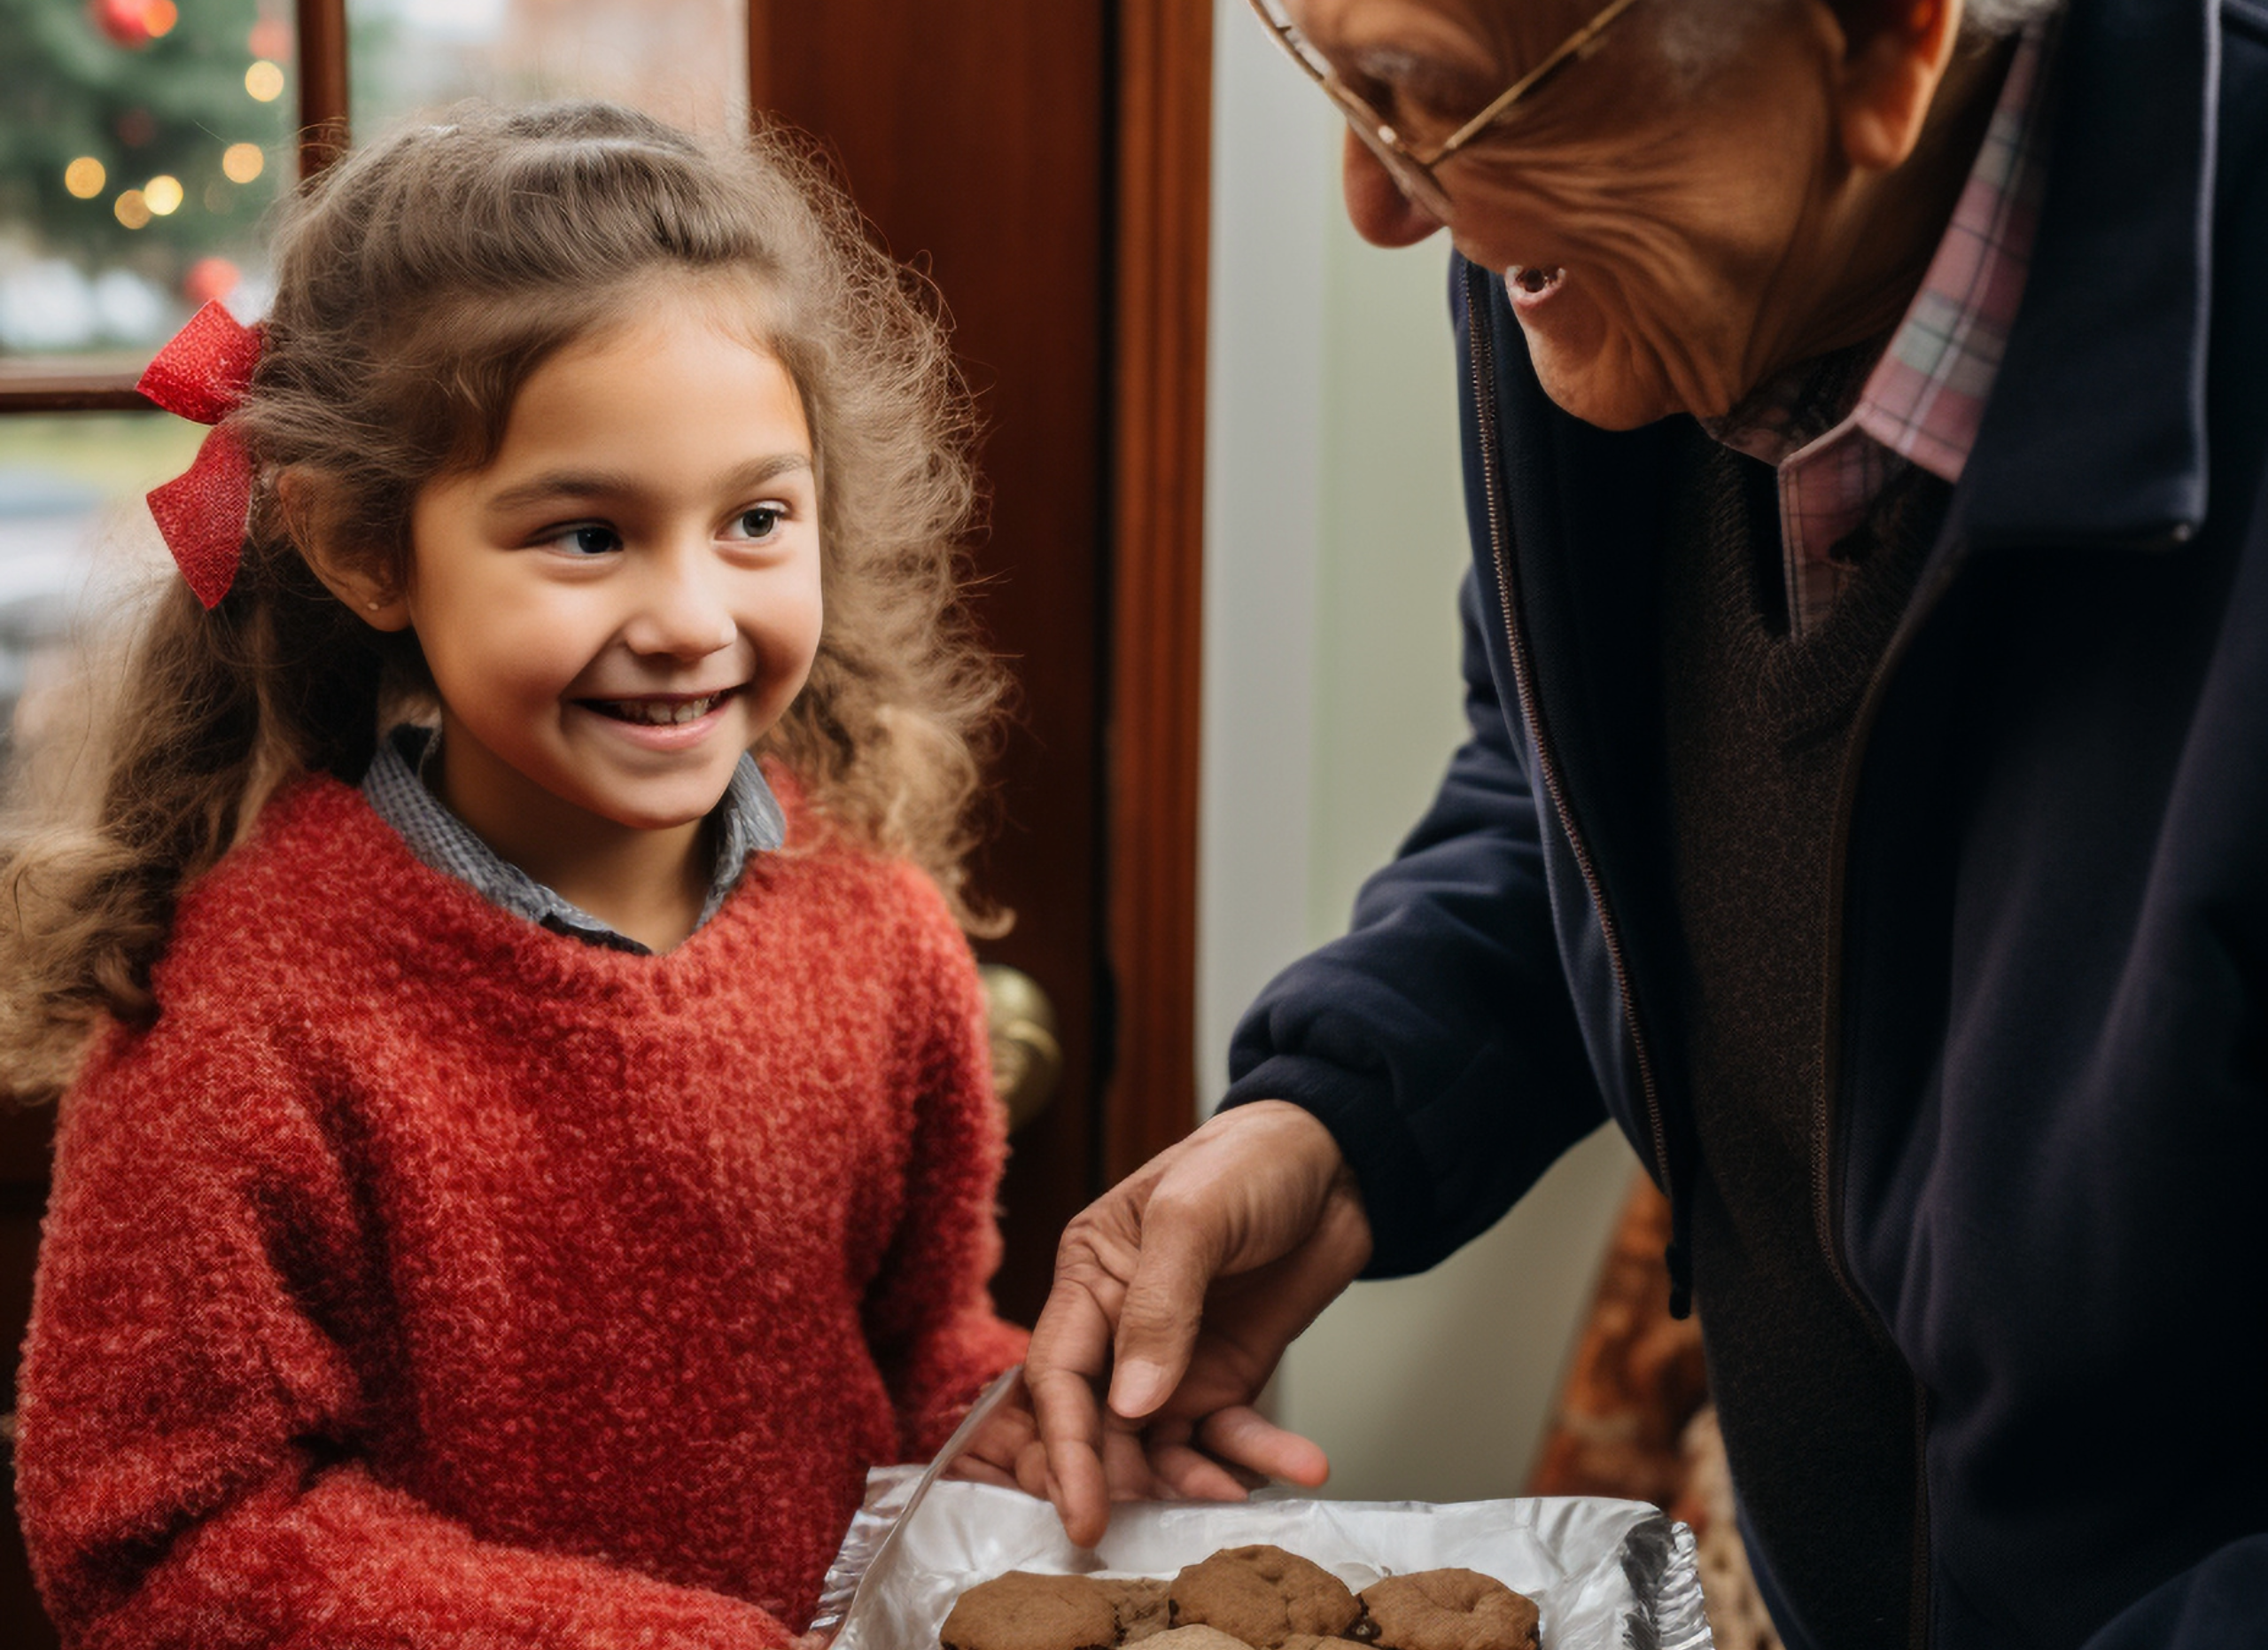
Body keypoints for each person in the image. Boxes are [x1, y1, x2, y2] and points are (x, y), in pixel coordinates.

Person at [1020, 0, 2268, 1646]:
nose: (1383, 200)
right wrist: (1342, 1119)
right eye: (1342, 74)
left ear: (1887, 44)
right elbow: (1572, 792)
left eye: (1439, 100)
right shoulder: (1600, 272)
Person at [4, 101, 1030, 1648]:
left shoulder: (874, 925)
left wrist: (1032, 1431)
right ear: (364, 548)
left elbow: (919, 1343)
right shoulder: (238, 1013)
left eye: (756, 518)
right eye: (585, 534)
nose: (691, 612)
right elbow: (167, 1539)